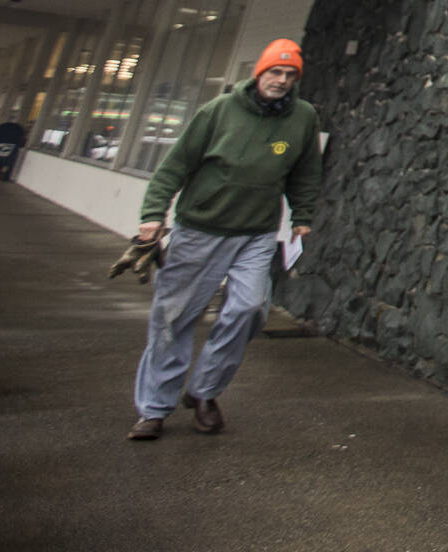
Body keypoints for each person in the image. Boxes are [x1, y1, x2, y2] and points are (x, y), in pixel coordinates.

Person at [126, 38, 322, 441]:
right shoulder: (218, 111)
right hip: (200, 230)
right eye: (275, 72)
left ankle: (204, 392)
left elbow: (305, 172)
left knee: (249, 309)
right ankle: (154, 409)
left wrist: (302, 215)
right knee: (173, 320)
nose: (281, 80)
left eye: (290, 74)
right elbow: (174, 166)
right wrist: (152, 216)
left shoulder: (303, 117)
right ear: (259, 73)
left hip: (256, 233)